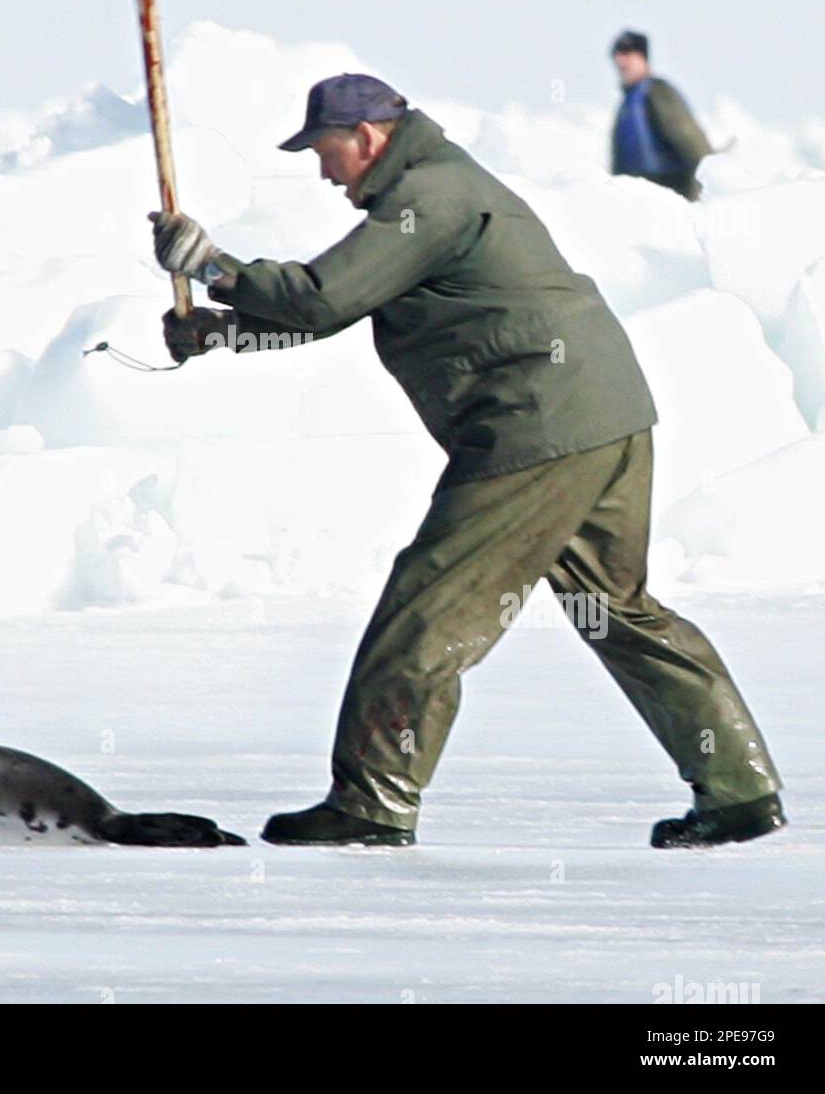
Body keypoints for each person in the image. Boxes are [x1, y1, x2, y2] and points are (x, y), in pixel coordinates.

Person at [149, 73, 784, 849]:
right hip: (602, 418)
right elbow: (329, 313)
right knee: (618, 610)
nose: (321, 170)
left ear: (368, 136)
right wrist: (219, 331)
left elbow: (319, 297)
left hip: (534, 426)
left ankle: (371, 804)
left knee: (425, 614)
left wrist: (215, 265)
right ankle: (738, 789)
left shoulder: (431, 196)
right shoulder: (430, 195)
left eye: (324, 150)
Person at [610, 30, 713, 200]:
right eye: (617, 55)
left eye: (627, 53)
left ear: (642, 57)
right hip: (637, 200)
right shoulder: (627, 104)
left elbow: (690, 140)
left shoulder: (658, 93)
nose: (620, 61)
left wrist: (710, 179)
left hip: (670, 197)